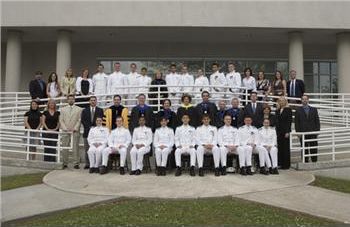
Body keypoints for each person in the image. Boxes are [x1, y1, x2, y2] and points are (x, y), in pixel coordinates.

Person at [295, 95, 320, 163]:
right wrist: (298, 132)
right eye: (303, 99)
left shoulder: (314, 109)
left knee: (314, 146)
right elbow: (296, 122)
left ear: (308, 100)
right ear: (301, 100)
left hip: (312, 131)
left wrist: (317, 130)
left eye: (306, 99)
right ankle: (305, 161)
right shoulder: (298, 110)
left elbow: (317, 120)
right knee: (304, 148)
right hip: (302, 132)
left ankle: (314, 161)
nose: (304, 100)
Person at [59, 95, 82, 169]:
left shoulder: (79, 109)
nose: (71, 100)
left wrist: (75, 128)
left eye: (72, 99)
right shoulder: (63, 109)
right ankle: (65, 162)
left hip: (75, 131)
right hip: (65, 131)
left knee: (75, 147)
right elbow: (61, 120)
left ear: (74, 100)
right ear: (67, 100)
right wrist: (65, 128)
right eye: (69, 99)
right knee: (65, 147)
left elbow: (79, 120)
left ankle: (76, 163)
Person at [81, 96, 104, 169]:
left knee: (97, 148)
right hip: (87, 132)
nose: (93, 101)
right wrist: (90, 127)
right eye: (91, 100)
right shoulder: (85, 110)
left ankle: (96, 164)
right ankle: (88, 164)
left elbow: (101, 120)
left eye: (94, 100)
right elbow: (83, 120)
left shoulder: (100, 110)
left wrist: (94, 127)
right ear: (89, 101)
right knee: (87, 149)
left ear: (96, 101)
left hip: (97, 134)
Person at [275, 96, 292, 169]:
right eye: (280, 101)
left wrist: (287, 131)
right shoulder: (277, 110)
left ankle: (286, 165)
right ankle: (280, 163)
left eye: (283, 101)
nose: (281, 102)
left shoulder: (288, 110)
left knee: (285, 148)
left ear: (285, 102)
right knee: (280, 147)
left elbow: (289, 122)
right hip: (278, 131)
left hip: (285, 132)